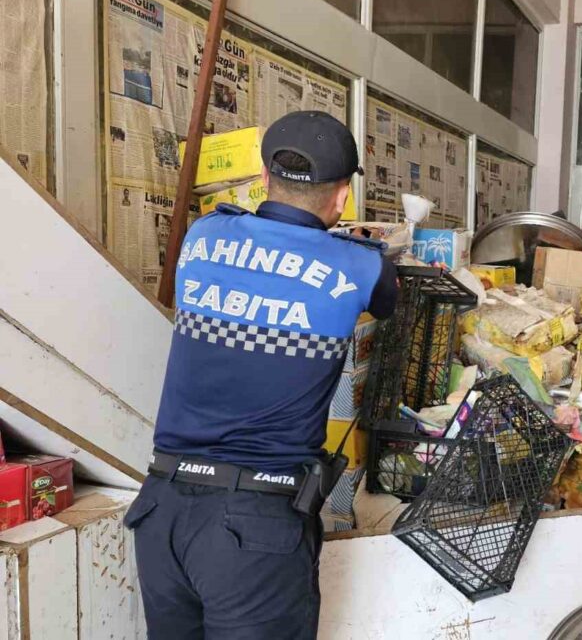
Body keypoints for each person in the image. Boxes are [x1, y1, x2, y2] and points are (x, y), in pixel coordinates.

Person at [125, 111, 398, 640]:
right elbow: (386, 301)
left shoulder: (204, 235)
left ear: (264, 178)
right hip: (255, 527)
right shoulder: (360, 266)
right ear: (342, 197)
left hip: (163, 513)